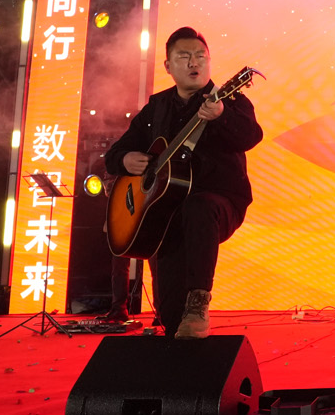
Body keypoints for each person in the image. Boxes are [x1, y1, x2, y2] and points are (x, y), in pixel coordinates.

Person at [104, 27, 263, 337]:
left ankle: (199, 302)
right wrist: (125, 160)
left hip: (219, 204)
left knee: (199, 206)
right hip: (167, 214)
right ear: (168, 66)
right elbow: (114, 155)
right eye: (185, 56)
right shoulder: (157, 107)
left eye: (201, 56)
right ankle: (181, 324)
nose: (194, 63)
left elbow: (251, 136)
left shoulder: (230, 100)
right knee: (171, 318)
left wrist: (221, 115)